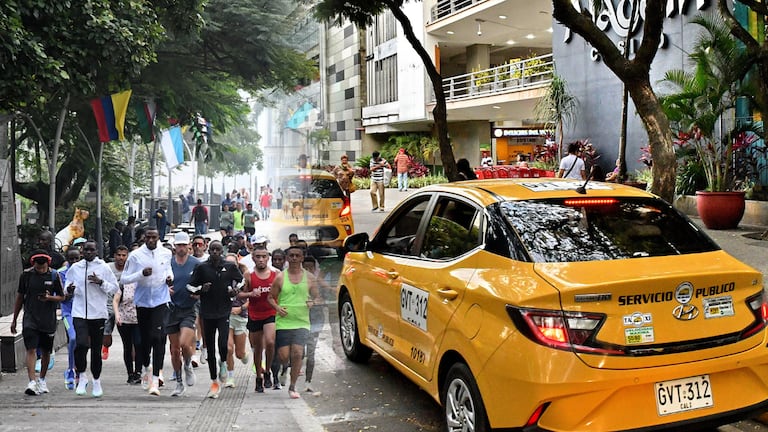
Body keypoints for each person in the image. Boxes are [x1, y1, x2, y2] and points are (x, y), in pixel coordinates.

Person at [121, 227, 174, 396]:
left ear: (159, 238)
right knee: (145, 340)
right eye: (148, 237)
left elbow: (168, 269)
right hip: (143, 302)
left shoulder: (165, 253)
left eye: (154, 237)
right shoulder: (135, 256)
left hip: (160, 299)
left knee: (158, 338)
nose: (151, 240)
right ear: (144, 238)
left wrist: (169, 278)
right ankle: (145, 366)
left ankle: (156, 378)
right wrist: (141, 274)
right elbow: (124, 278)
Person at [187, 241, 243, 399]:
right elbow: (190, 286)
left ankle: (223, 363)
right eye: (212, 250)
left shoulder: (230, 267)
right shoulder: (202, 267)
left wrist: (235, 290)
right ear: (208, 250)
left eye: (218, 249)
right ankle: (214, 382)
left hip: (224, 311)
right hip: (207, 312)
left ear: (222, 251)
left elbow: (241, 280)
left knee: (223, 343)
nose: (215, 252)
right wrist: (201, 289)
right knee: (210, 347)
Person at [65, 240, 120, 398]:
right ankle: (82, 376)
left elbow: (114, 288)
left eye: (92, 250)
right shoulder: (76, 268)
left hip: (98, 313)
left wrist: (100, 282)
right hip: (79, 312)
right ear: (82, 251)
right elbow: (67, 286)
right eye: (86, 250)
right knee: (81, 344)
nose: (88, 252)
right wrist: (69, 289)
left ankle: (96, 380)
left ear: (97, 251)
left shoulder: (103, 267)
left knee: (96, 350)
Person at [268, 245, 322, 399]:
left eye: (297, 256)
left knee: (298, 353)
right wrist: (277, 308)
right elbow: (270, 297)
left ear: (302, 258)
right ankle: (284, 368)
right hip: (284, 321)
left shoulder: (310, 278)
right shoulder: (280, 277)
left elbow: (317, 297)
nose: (294, 258)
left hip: (302, 321)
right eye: (291, 256)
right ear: (287, 258)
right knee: (284, 356)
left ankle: (292, 387)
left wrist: (313, 302)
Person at [11, 250, 66, 395]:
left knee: (46, 351)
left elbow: (62, 297)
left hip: (48, 319)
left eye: (43, 267)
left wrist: (50, 298)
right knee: (31, 349)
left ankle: (42, 379)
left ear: (47, 264)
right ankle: (32, 381)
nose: (40, 269)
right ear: (33, 264)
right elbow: (20, 297)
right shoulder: (26, 275)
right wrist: (14, 319)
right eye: (37, 266)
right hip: (30, 317)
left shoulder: (54, 275)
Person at [238, 246, 278, 392]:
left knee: (270, 342)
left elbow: (284, 292)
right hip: (254, 315)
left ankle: (268, 371)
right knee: (257, 349)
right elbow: (239, 295)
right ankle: (259, 377)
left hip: (271, 313)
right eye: (258, 257)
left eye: (264, 256)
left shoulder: (276, 274)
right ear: (253, 258)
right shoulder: (249, 275)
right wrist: (250, 294)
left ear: (268, 258)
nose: (261, 259)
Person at [166, 232, 200, 396]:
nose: (181, 248)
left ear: (189, 245)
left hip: (188, 308)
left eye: (183, 245)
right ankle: (179, 382)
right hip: (171, 309)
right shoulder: (168, 263)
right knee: (174, 349)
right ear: (174, 247)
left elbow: (204, 283)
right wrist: (165, 290)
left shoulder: (196, 264)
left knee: (185, 344)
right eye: (178, 245)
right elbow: (159, 281)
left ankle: (187, 364)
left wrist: (199, 293)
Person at [301, 256, 333, 393]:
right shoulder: (296, 282)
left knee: (311, 352)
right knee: (299, 353)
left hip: (315, 322)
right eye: (305, 268)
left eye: (311, 268)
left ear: (315, 269)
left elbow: (327, 300)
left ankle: (308, 381)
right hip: (299, 321)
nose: (308, 270)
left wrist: (320, 301)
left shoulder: (319, 284)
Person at [111, 246, 142, 385]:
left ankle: (139, 372)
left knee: (139, 344)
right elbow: (116, 300)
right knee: (128, 346)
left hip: (139, 319)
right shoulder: (124, 282)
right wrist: (117, 315)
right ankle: (130, 373)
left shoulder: (142, 283)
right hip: (124, 319)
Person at [224, 254, 249, 388]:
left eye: (232, 264)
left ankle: (244, 355)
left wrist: (241, 308)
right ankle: (230, 377)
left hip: (240, 317)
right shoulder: (220, 278)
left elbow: (252, 298)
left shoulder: (244, 279)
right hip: (226, 317)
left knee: (239, 354)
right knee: (228, 348)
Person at [59, 248, 80, 390]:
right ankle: (70, 369)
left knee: (82, 343)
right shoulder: (60, 273)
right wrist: (68, 293)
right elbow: (60, 296)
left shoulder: (84, 270)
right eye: (71, 259)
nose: (74, 262)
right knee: (72, 338)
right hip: (68, 312)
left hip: (84, 312)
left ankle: (79, 370)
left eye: (76, 259)